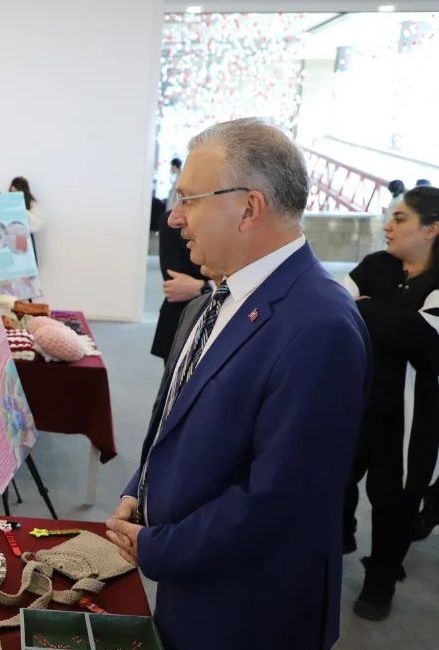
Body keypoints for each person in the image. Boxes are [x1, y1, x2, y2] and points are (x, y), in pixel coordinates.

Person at [105, 118, 371, 650]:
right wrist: (142, 492)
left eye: (191, 200)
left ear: (250, 207)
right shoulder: (211, 301)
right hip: (195, 581)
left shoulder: (319, 326)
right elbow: (180, 421)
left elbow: (279, 502)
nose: (175, 219)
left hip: (251, 611)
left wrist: (160, 548)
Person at [341, 185, 439, 620]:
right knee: (332, 478)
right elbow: (337, 305)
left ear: (432, 229)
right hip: (357, 403)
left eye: (400, 219)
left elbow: (426, 341)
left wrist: (367, 309)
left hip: (411, 420)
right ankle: (336, 538)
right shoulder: (377, 265)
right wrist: (381, 316)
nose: (388, 226)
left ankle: (381, 579)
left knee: (395, 500)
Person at [151, 161, 212, 361]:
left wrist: (204, 287)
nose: (173, 218)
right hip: (178, 323)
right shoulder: (170, 224)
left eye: (189, 199)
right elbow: (176, 285)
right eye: (180, 197)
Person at [9, 176, 44, 261]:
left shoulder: (32, 204)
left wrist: (22, 210)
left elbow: (38, 224)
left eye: (17, 193)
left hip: (27, 241)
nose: (15, 196)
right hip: (12, 241)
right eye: (12, 193)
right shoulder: (9, 204)